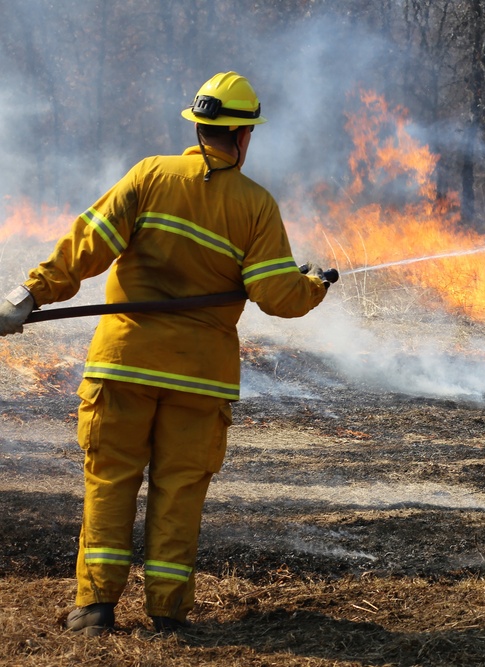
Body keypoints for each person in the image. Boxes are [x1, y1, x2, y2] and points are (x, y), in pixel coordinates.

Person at [0, 72, 330, 634]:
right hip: (200, 381)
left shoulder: (150, 175)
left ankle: (95, 608)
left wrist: (25, 295)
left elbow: (86, 247)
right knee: (179, 491)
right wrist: (315, 283)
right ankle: (168, 615)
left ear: (198, 125)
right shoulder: (255, 205)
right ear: (244, 135)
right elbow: (279, 296)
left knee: (110, 480)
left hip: (123, 364)